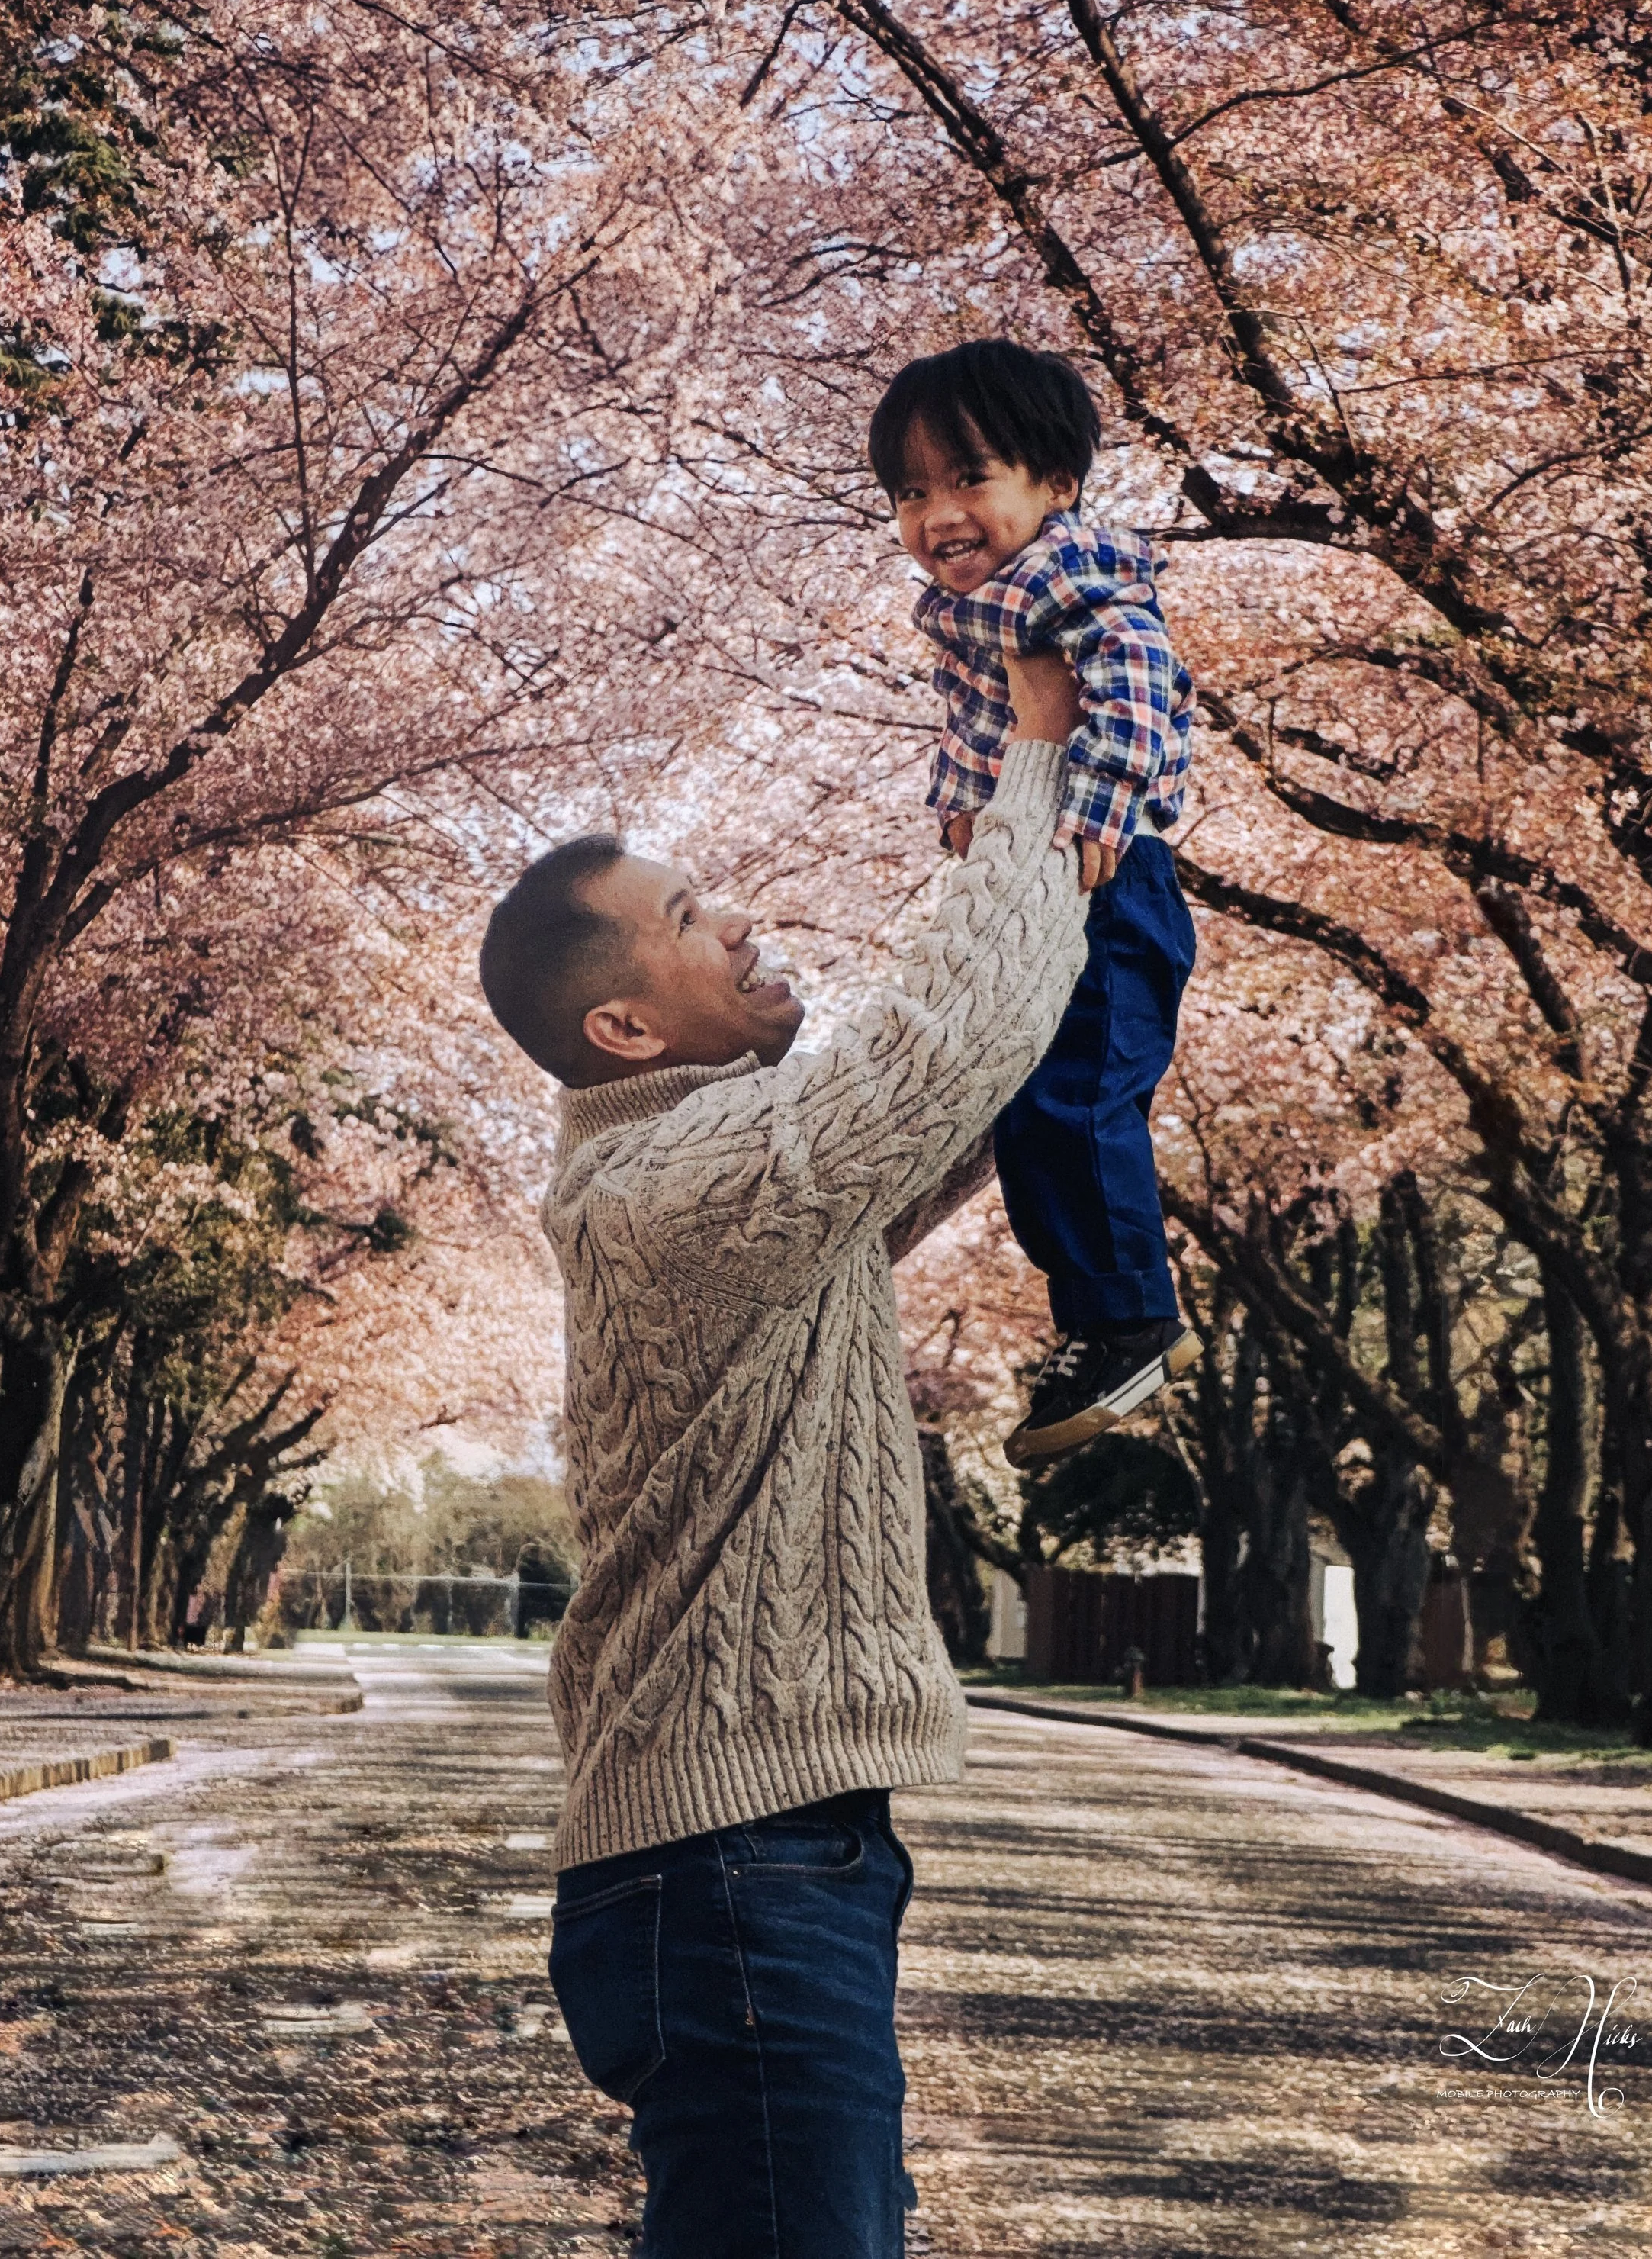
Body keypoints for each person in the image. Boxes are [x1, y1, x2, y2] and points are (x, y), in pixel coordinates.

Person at [477, 652, 1088, 2259]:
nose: (739, 921)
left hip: (763, 1855)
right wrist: (1032, 745)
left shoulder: (726, 1183)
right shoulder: (671, 1186)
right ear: (621, 1022)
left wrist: (1060, 835)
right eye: (690, 919)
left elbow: (965, 1097)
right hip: (727, 1869)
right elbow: (948, 1042)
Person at [868, 336, 1202, 1472]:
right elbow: (976, 725)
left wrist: (1104, 799)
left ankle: (1127, 1319)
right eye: (911, 491)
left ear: (1055, 484)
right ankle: (1093, 1320)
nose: (937, 513)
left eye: (969, 477)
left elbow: (1142, 679)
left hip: (1116, 880)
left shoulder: (1072, 576)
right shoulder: (972, 608)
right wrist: (966, 809)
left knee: (1077, 1098)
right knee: (1029, 1104)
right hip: (1054, 869)